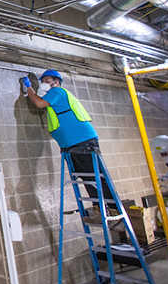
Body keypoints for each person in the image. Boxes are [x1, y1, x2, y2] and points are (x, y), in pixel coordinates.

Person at [21, 69, 119, 225]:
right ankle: (100, 211)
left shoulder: (58, 92)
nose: (44, 83)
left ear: (56, 81)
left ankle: (115, 211)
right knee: (87, 178)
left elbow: (38, 103)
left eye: (47, 80)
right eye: (42, 81)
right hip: (72, 144)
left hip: (81, 141)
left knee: (94, 177)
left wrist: (28, 87)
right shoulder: (53, 97)